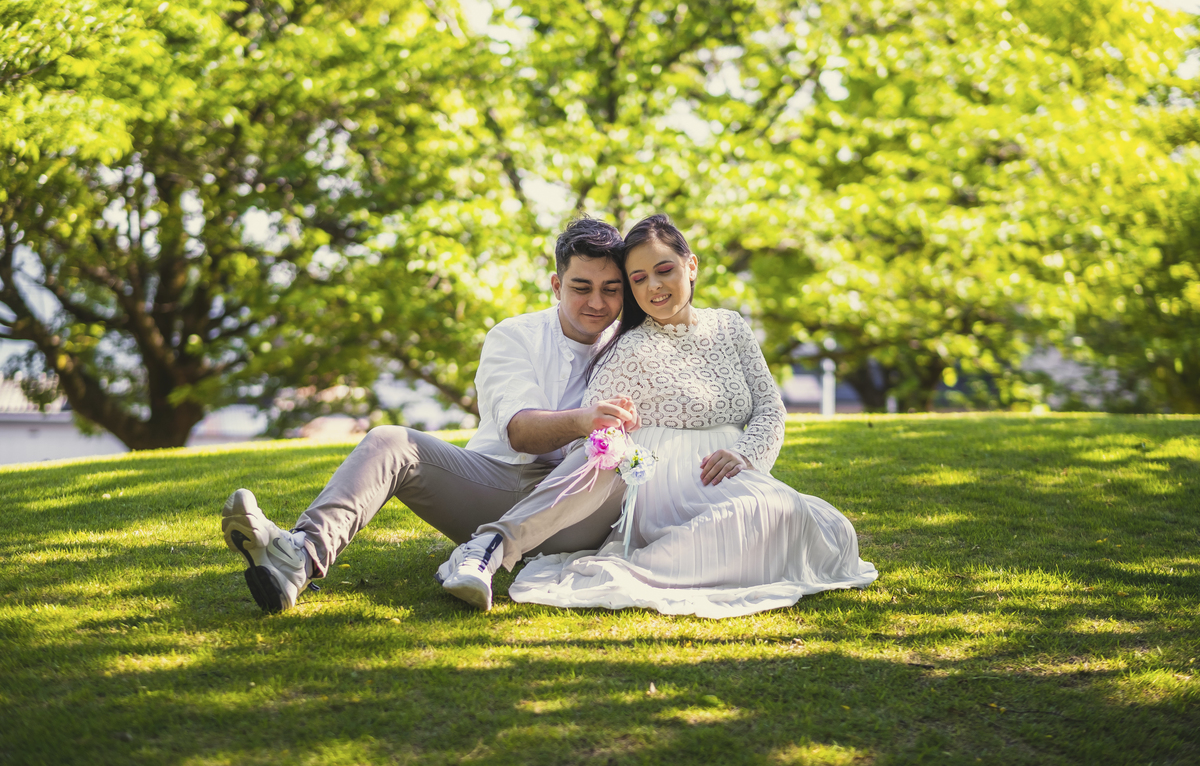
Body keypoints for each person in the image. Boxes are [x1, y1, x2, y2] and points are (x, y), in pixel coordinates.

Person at [220, 217, 639, 613]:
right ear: (555, 285)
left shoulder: (636, 347)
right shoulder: (515, 336)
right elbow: (520, 433)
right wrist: (584, 420)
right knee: (389, 441)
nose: (597, 303)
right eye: (581, 287)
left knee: (615, 453)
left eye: (611, 289)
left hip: (576, 513)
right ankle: (299, 556)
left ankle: (486, 552)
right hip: (492, 487)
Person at [506, 214, 878, 618]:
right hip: (669, 486)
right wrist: (629, 459)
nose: (654, 286)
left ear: (691, 265)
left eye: (664, 270)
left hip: (731, 472)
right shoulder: (629, 349)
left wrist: (746, 455)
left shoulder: (730, 327)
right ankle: (634, 568)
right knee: (765, 512)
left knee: (832, 528)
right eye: (638, 279)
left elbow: (770, 407)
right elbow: (596, 435)